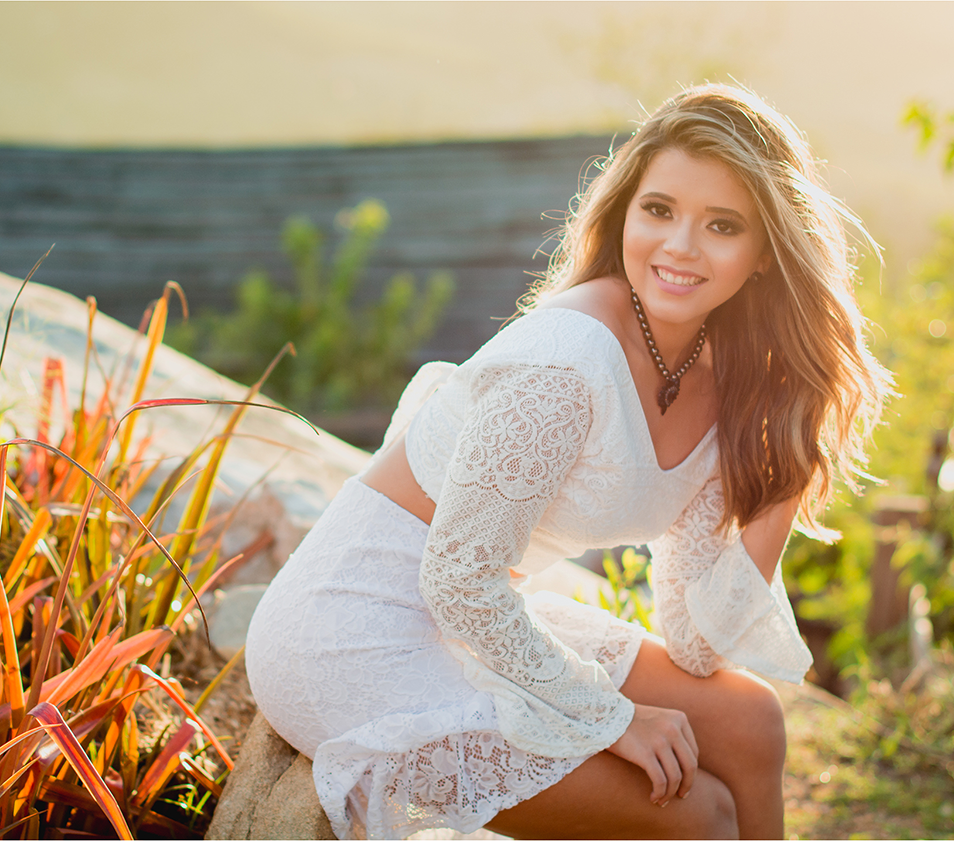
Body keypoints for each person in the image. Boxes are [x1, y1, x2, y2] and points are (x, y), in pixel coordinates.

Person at [244, 83, 891, 840]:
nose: (679, 246)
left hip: (472, 617)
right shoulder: (565, 362)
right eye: (659, 211)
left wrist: (787, 475)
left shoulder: (728, 381)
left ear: (762, 257)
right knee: (698, 813)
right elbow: (455, 577)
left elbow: (693, 642)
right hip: (354, 633)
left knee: (751, 721)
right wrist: (612, 718)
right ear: (626, 215)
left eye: (721, 225)